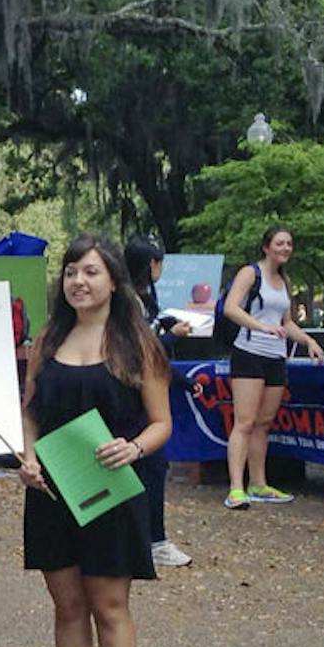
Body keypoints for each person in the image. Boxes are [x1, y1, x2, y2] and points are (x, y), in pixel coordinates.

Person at [19, 236, 172, 647]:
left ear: (113, 281)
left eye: (90, 272)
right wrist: (28, 457)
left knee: (109, 607)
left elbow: (161, 424)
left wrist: (133, 448)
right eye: (70, 272)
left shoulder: (138, 345)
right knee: (67, 607)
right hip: (51, 490)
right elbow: (30, 412)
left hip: (110, 490)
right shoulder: (48, 340)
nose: (78, 282)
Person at [221, 224, 324, 510]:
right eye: (280, 243)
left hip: (276, 357)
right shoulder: (250, 273)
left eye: (289, 244)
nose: (285, 248)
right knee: (244, 421)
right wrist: (261, 327)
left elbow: (286, 322)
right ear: (267, 247)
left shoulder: (285, 281)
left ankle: (259, 484)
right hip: (249, 352)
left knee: (264, 423)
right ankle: (235, 489)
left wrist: (308, 341)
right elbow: (231, 308)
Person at [123, 236, 197, 568]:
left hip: (146, 392)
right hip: (134, 397)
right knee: (150, 465)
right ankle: (154, 541)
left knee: (151, 466)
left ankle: (144, 537)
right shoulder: (127, 302)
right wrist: (172, 337)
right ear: (150, 265)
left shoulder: (143, 300)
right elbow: (144, 350)